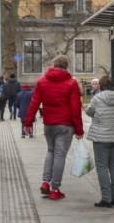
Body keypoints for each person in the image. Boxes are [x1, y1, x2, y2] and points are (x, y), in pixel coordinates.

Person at [22, 55, 84, 201]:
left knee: (50, 151)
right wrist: (79, 130)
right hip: (65, 125)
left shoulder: (42, 82)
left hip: (49, 124)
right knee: (59, 155)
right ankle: (55, 188)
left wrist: (28, 123)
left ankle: (45, 182)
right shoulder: (71, 83)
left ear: (53, 65)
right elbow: (76, 108)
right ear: (66, 66)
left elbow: (34, 103)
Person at [85, 75, 114, 207]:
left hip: (101, 137)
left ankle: (106, 198)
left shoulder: (97, 98)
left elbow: (90, 112)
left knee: (102, 167)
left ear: (101, 86)